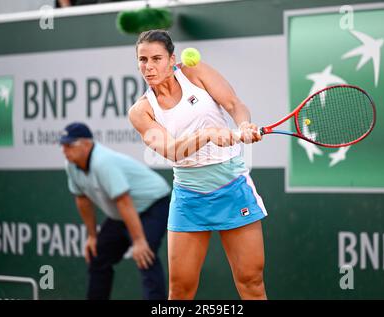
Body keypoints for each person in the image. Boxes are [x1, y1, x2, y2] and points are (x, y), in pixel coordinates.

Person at [129, 29, 268, 300]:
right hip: (189, 200)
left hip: (233, 189)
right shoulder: (141, 111)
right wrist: (208, 135)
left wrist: (243, 125)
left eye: (156, 58)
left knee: (251, 283)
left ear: (172, 59)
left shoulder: (195, 71)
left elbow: (234, 104)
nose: (149, 66)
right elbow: (171, 151)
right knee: (180, 292)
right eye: (142, 60)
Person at [60, 122, 170, 300]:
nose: (65, 150)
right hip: (123, 213)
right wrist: (92, 236)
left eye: (70, 145)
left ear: (87, 144)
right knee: (98, 256)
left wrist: (139, 240)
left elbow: (124, 201)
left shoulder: (103, 162)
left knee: (145, 256)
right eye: (63, 145)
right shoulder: (71, 165)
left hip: (154, 204)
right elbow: (82, 200)